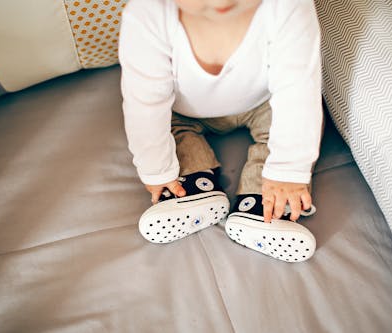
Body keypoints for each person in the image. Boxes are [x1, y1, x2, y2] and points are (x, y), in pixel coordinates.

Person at [119, 0, 323, 262]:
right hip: (180, 110)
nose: (221, 2)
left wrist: (288, 172)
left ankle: (262, 205)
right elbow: (145, 104)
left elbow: (297, 92)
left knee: (299, 123)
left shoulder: (287, 7)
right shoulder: (148, 15)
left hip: (264, 103)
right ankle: (194, 189)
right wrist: (157, 170)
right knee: (162, 130)